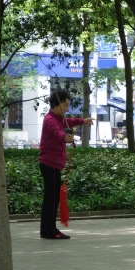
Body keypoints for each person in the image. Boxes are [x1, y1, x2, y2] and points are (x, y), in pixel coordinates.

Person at [39, 89, 92, 240]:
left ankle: (48, 229)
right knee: (52, 198)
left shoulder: (58, 117)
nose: (67, 108)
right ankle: (50, 231)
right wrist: (65, 138)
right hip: (50, 164)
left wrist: (84, 121)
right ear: (57, 104)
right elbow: (57, 133)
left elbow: (71, 121)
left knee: (51, 198)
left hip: (52, 165)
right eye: (65, 105)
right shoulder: (50, 120)